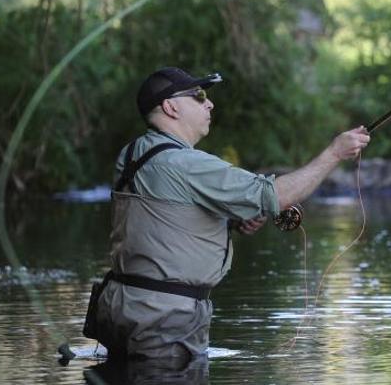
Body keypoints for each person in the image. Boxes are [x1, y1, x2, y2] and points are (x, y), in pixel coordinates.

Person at [86, 67, 370, 363]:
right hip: (163, 321)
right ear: (170, 107)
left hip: (122, 309)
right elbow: (274, 195)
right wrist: (334, 153)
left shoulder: (132, 154)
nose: (209, 103)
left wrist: (230, 220)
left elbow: (162, 215)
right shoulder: (185, 164)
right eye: (198, 96)